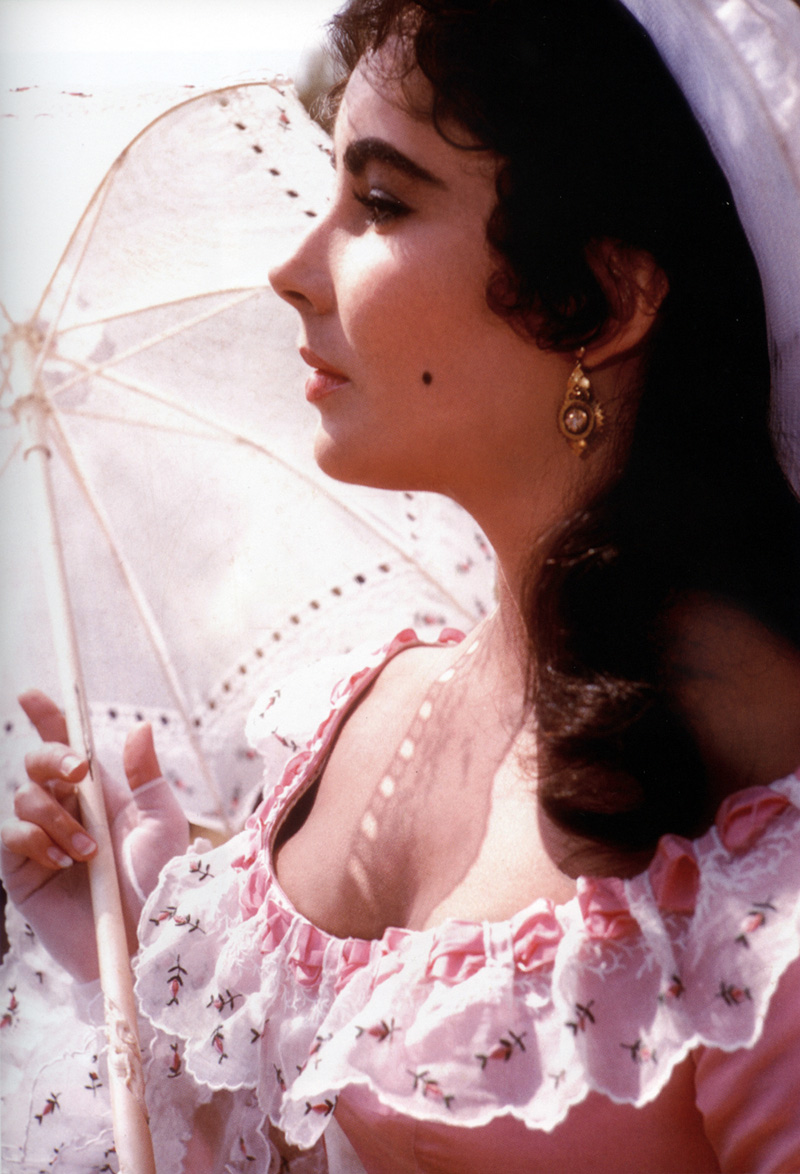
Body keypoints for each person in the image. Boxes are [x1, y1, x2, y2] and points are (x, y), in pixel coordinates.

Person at [3, 0, 800, 1170]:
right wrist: (141, 970)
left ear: (601, 300)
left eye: (379, 202)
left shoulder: (759, 802)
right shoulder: (356, 720)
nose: (290, 270)